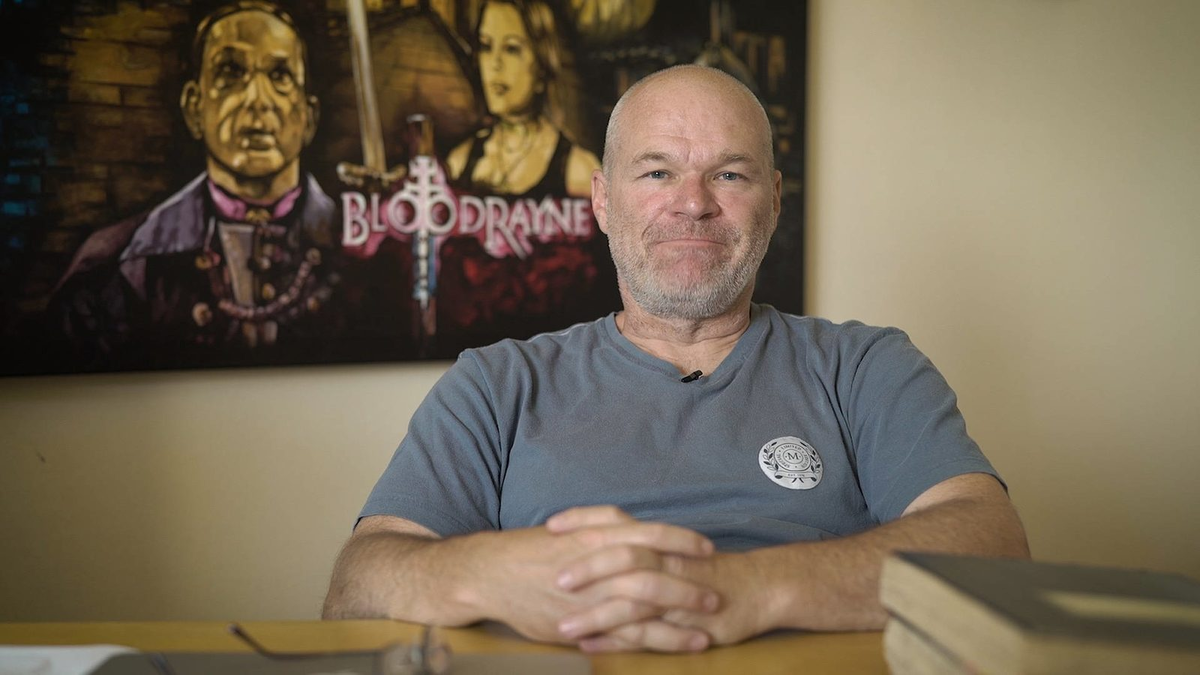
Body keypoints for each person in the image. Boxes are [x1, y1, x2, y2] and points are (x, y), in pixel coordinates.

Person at [323, 65, 1030, 652]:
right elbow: (357, 586)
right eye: (658, 172)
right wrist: (492, 576)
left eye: (730, 175)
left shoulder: (865, 366)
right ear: (603, 201)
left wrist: (745, 588)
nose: (692, 204)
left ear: (774, 201)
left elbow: (994, 544)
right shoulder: (496, 383)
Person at [49, 1, 383, 368]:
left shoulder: (367, 255)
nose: (257, 100)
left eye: (280, 75)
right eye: (231, 72)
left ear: (309, 117)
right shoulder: (120, 266)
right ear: (194, 108)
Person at [446, 0, 599, 198]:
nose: (495, 64)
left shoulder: (578, 171)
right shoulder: (458, 163)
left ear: (542, 65)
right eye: (486, 46)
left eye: (511, 49)